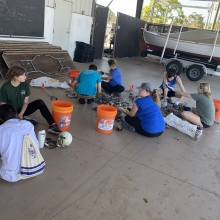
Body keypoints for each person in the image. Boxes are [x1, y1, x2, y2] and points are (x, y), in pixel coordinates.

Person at [0, 65, 61, 134]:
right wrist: (13, 114)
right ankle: (24, 119)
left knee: (40, 102)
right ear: (15, 77)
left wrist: (21, 113)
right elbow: (3, 106)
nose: (25, 77)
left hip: (22, 110)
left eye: (25, 74)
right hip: (10, 112)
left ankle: (52, 125)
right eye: (22, 75)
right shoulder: (5, 87)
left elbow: (25, 102)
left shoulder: (25, 84)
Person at [0, 104, 40, 182]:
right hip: (35, 167)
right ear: (16, 114)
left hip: (11, 175)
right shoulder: (28, 124)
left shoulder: (1, 129)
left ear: (0, 118)